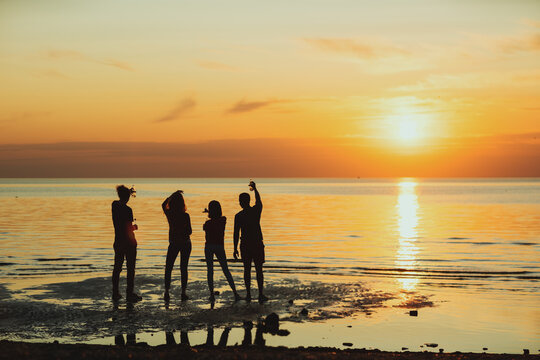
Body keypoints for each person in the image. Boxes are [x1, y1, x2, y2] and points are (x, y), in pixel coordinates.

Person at [234, 181, 268, 303]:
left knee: (247, 269)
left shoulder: (239, 216)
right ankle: (260, 294)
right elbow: (259, 201)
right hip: (256, 243)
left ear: (242, 202)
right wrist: (255, 189)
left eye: (239, 201)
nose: (239, 202)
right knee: (258, 269)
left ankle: (249, 294)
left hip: (247, 244)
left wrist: (234, 248)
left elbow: (235, 233)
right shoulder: (255, 211)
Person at [203, 200, 241, 303]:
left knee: (210, 270)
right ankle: (235, 293)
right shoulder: (223, 220)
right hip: (219, 246)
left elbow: (205, 227)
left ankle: (212, 295)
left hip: (209, 246)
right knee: (225, 270)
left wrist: (208, 214)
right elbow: (217, 220)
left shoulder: (208, 223)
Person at [111, 185, 142, 302]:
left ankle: (115, 292)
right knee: (130, 268)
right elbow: (128, 227)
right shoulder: (128, 210)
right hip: (129, 242)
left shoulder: (114, 206)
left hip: (118, 240)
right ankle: (129, 293)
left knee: (117, 267)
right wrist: (134, 227)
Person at [162, 190, 192, 301]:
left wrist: (171, 195)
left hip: (175, 243)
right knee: (183, 268)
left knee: (169, 267)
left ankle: (167, 292)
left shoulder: (170, 214)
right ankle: (183, 292)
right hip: (185, 242)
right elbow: (189, 231)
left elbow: (163, 204)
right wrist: (182, 232)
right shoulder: (185, 216)